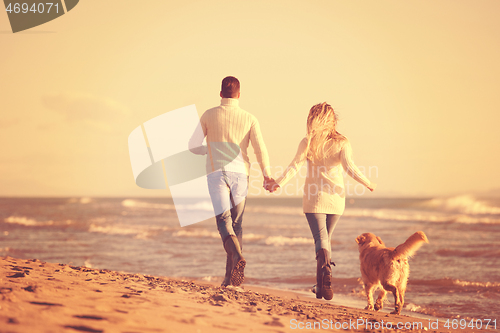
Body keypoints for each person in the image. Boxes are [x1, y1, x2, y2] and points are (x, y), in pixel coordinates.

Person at [265, 102, 376, 300]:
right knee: (325, 239)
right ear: (332, 120)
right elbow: (350, 168)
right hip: (336, 200)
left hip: (314, 199)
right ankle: (321, 287)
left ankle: (325, 275)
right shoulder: (343, 142)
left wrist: (277, 184)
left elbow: (294, 167)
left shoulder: (308, 142)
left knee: (321, 240)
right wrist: (367, 182)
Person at [189, 76, 273, 287]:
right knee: (237, 225)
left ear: (220, 94)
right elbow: (259, 148)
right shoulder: (249, 118)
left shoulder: (209, 114)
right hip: (241, 174)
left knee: (223, 222)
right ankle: (230, 279)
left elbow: (192, 145)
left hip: (217, 172)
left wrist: (207, 151)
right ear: (238, 95)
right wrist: (267, 174)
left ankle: (234, 264)